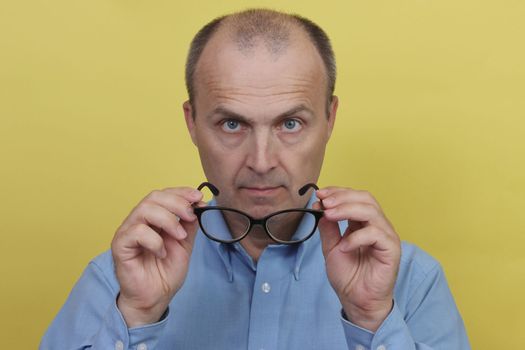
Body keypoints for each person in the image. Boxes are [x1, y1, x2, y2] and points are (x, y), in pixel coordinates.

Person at [41, 9, 470, 350]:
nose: (262, 161)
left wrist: (373, 322)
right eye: (231, 124)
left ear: (329, 119)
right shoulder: (116, 279)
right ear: (192, 123)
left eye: (290, 124)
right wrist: (135, 317)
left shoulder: (411, 281)